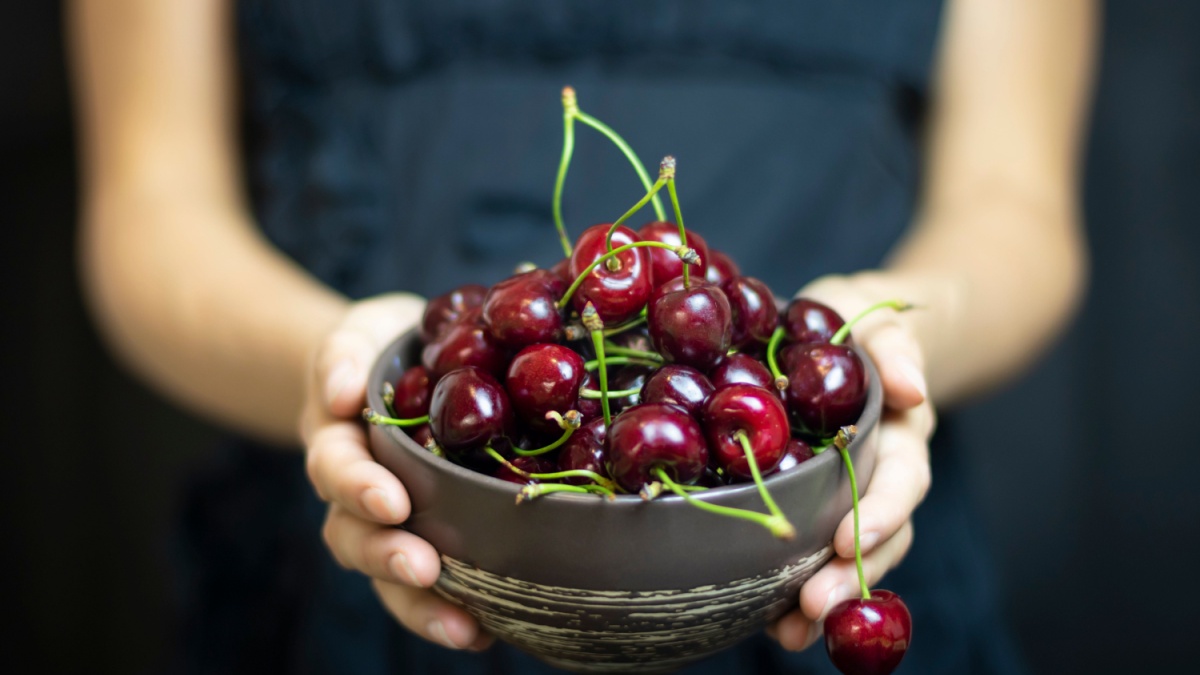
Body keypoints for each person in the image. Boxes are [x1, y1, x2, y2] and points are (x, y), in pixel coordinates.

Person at [70, 0, 1095, 672]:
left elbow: (1016, 205)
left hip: (823, 531)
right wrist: (336, 364)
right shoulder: (492, 375)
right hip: (375, 547)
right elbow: (152, 208)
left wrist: (899, 347)